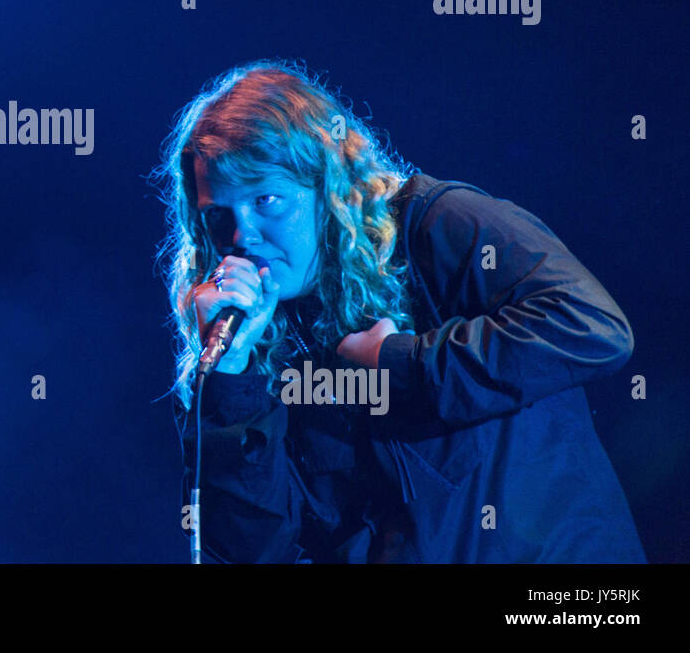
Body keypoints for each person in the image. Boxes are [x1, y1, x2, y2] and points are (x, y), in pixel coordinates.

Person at [153, 59, 646, 562]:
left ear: (327, 185)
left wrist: (400, 365)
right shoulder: (253, 341)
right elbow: (256, 551)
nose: (242, 237)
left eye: (269, 200)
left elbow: (591, 327)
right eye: (219, 215)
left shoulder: (433, 225)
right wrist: (230, 380)